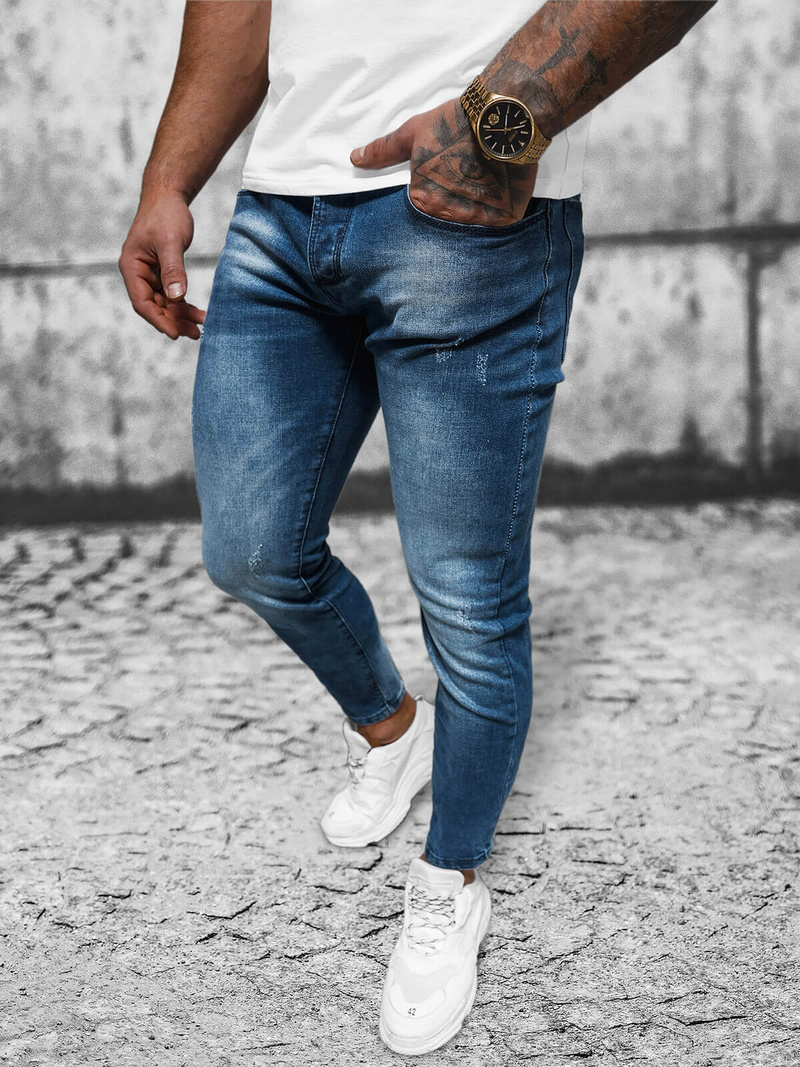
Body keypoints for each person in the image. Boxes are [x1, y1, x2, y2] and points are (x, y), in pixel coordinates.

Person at [119, 0, 717, 1054]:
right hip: (282, 207)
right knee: (252, 550)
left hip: (468, 218)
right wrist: (170, 178)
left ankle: (449, 879)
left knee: (469, 603)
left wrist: (497, 123)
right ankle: (396, 733)